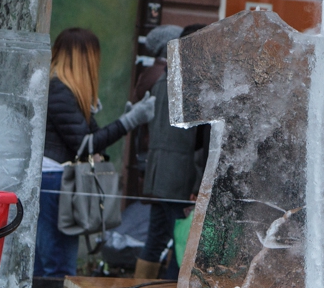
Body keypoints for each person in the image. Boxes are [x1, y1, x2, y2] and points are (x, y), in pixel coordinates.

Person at [34, 28, 156, 278]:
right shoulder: (60, 90)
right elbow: (85, 145)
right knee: (57, 266)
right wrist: (129, 121)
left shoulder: (64, 91)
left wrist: (123, 119)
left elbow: (92, 142)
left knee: (49, 263)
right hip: (55, 181)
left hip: (56, 180)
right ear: (85, 58)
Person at [135, 24, 209, 280]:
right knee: (183, 246)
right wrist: (199, 184)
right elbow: (198, 144)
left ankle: (140, 284)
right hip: (180, 181)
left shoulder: (162, 81)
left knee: (155, 240)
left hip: (159, 176)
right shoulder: (193, 86)